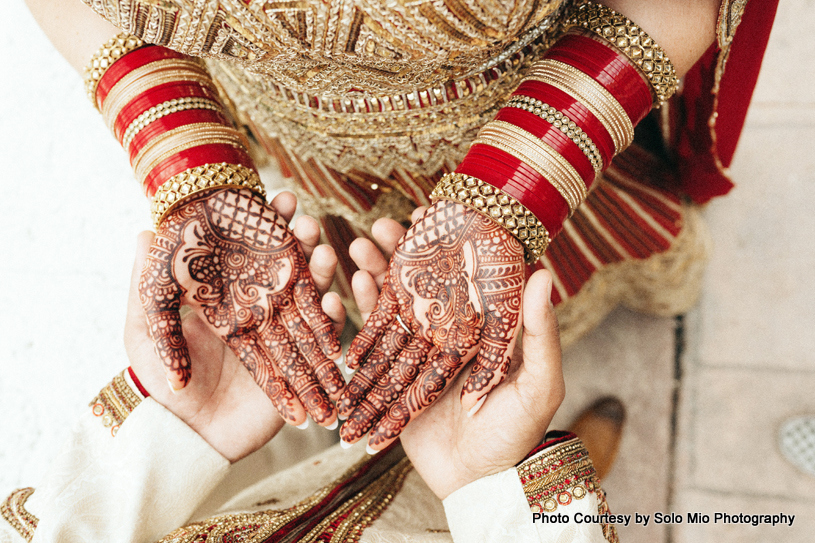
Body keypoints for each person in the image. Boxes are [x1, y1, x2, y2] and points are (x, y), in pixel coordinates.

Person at [22, 0, 779, 450]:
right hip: (293, 143)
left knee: (543, 309)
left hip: (534, 115)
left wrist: (513, 188)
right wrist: (187, 158)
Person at [1, 200, 618, 543]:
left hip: (228, 500)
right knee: (498, 464)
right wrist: (497, 497)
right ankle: (546, 490)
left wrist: (179, 429)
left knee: (324, 416)